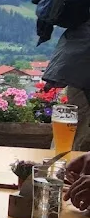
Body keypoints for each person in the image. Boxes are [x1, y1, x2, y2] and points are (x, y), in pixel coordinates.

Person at [42, 19, 90, 153]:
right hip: (83, 68)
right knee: (71, 134)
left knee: (70, 133)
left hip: (79, 64)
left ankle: (58, 168)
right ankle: (60, 168)